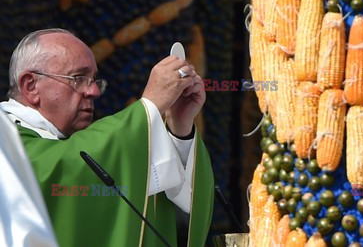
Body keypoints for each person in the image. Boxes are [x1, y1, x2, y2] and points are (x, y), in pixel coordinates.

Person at [0, 28, 214, 247]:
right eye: (79, 78)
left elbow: (158, 208)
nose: (93, 91)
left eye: (94, 80)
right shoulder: (5, 138)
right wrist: (149, 106)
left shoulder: (77, 143)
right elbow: (55, 170)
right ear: (31, 86)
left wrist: (180, 127)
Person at [0, 107, 58, 247]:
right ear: (30, 86)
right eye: (77, 83)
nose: (93, 92)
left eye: (97, 84)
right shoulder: (6, 127)